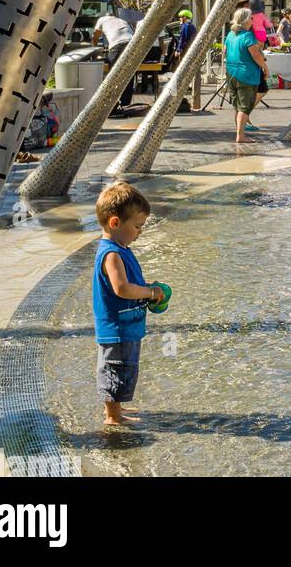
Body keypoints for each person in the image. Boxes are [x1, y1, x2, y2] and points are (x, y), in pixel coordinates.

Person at [93, 182, 167, 427]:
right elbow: (121, 288)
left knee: (124, 369)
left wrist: (147, 288)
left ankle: (117, 408)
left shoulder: (121, 249)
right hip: (116, 329)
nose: (140, 232)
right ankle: (112, 416)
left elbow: (129, 282)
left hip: (126, 327)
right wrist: (150, 292)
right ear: (115, 223)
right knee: (115, 369)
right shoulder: (111, 254)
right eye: (137, 226)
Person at [224, 7, 266, 142]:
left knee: (237, 106)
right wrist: (265, 67)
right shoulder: (247, 36)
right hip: (246, 74)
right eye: (251, 17)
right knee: (244, 106)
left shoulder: (230, 35)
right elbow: (256, 55)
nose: (253, 20)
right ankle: (240, 136)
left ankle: (239, 133)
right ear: (246, 20)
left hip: (231, 73)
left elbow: (225, 51)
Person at [92, 8, 136, 116]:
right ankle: (125, 101)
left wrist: (94, 48)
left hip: (117, 45)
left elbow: (95, 36)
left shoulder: (102, 20)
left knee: (114, 73)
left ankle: (112, 102)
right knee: (128, 71)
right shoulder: (121, 20)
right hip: (132, 43)